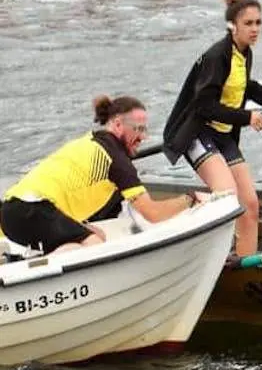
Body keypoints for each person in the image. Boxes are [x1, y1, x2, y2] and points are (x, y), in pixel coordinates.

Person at [162, 0, 262, 257]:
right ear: (232, 25)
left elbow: (245, 86)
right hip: (197, 132)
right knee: (227, 198)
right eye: (248, 24)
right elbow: (204, 106)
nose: (255, 29)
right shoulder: (216, 57)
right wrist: (248, 117)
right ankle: (191, 220)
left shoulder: (244, 52)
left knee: (250, 204)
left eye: (258, 23)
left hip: (222, 135)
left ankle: (246, 262)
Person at [1, 96, 207, 255]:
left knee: (97, 234)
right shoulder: (114, 159)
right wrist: (191, 199)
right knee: (94, 245)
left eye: (145, 130)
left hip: (12, 211)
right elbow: (152, 213)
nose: (143, 137)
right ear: (118, 124)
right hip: (32, 210)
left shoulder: (92, 141)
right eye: (138, 129)